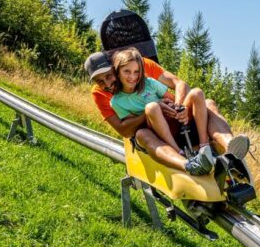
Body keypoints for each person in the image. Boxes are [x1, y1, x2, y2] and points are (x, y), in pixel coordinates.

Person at [85, 50, 250, 172]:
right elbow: (123, 129)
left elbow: (179, 83)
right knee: (143, 132)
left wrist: (180, 108)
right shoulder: (105, 95)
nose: (106, 84)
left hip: (179, 119)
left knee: (208, 103)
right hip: (155, 131)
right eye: (100, 81)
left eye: (108, 76)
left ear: (114, 69)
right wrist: (151, 110)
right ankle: (187, 163)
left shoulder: (141, 66)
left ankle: (229, 147)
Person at [110, 48, 214, 175]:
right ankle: (179, 153)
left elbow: (171, 98)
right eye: (127, 71)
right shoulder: (117, 101)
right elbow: (134, 124)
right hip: (157, 128)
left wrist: (178, 108)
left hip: (174, 119)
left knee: (197, 92)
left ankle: (205, 147)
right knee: (152, 107)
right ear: (117, 72)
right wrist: (156, 107)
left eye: (136, 72)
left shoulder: (149, 83)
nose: (132, 76)